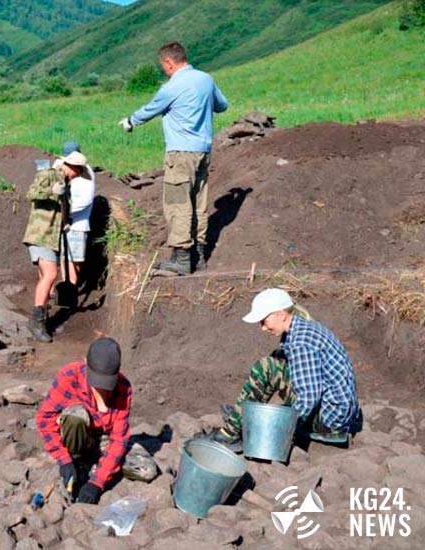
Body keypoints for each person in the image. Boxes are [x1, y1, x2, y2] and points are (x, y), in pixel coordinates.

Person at [119, 41, 228, 276]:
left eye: (163, 66)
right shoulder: (206, 79)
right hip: (203, 151)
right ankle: (198, 255)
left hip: (180, 153)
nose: (164, 70)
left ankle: (181, 258)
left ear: (169, 62)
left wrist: (130, 121)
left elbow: (150, 109)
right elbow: (222, 105)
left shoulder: (172, 87)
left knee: (178, 204)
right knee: (198, 203)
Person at [207, 288, 361, 452]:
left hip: (329, 421)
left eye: (264, 321)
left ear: (280, 315)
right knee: (278, 357)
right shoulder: (304, 329)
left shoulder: (301, 342)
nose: (263, 328)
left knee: (267, 367)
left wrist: (280, 428)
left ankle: (230, 434)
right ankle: (245, 415)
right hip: (338, 412)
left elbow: (309, 396)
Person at [35, 337, 133, 504]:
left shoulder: (123, 387)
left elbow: (118, 440)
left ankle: (94, 466)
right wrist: (64, 460)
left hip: (103, 440)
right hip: (78, 435)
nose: (101, 388)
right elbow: (44, 420)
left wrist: (97, 482)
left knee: (146, 470)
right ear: (86, 362)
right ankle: (76, 462)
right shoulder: (69, 377)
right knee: (75, 416)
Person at [23, 150, 89, 343]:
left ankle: (44, 322)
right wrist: (51, 192)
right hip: (40, 234)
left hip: (51, 236)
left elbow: (61, 210)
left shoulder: (65, 185)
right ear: (70, 166)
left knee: (47, 275)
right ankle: (36, 322)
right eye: (77, 170)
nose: (77, 175)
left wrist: (66, 221)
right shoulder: (49, 175)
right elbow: (31, 194)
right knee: (51, 275)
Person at [57, 141, 95, 287]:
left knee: (75, 259)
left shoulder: (86, 173)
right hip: (63, 222)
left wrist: (66, 210)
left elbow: (85, 200)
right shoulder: (60, 166)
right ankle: (67, 285)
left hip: (78, 223)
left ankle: (72, 286)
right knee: (64, 258)